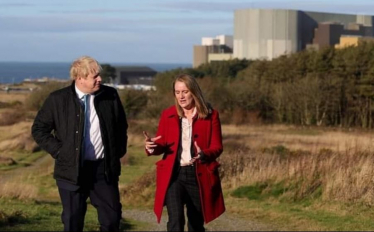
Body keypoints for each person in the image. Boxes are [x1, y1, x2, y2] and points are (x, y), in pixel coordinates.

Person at [31, 56, 128, 232]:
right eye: (95, 77)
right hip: (71, 170)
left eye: (99, 75)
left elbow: (121, 125)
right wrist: (60, 152)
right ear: (80, 78)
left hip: (103, 170)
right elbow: (39, 129)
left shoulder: (110, 95)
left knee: (112, 219)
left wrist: (118, 151)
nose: (100, 79)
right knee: (72, 221)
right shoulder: (57, 99)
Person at [143, 74, 225, 231]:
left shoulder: (211, 115)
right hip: (174, 175)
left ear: (194, 92)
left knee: (195, 224)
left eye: (185, 92)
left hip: (198, 175)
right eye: (177, 92)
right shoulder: (167, 114)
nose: (181, 96)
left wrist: (204, 154)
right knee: (175, 220)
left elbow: (217, 146)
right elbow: (162, 144)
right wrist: (152, 146)